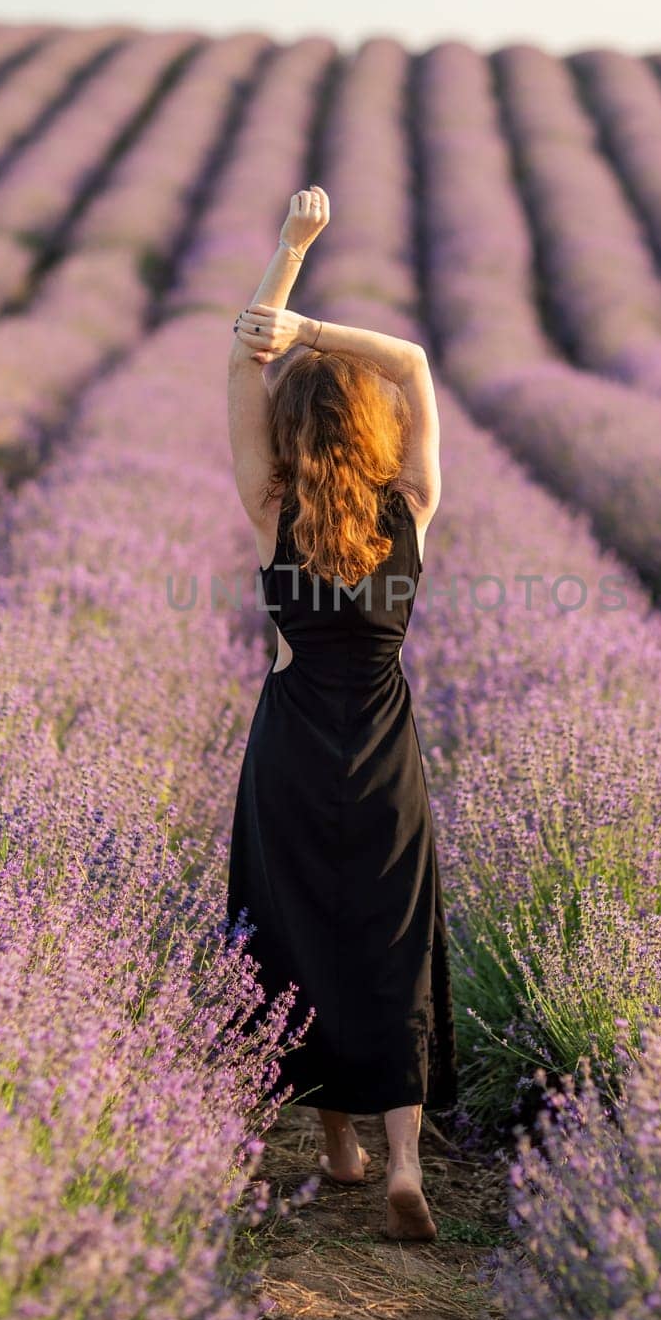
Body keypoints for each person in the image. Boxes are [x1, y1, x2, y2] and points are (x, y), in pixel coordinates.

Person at [225, 186, 457, 1243]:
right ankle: (404, 1155)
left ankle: (336, 1146)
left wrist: (284, 258)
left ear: (287, 432)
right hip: (383, 748)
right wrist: (315, 324)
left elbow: (242, 362)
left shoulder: (273, 507)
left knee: (301, 921)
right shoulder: (407, 507)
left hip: (291, 750)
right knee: (391, 935)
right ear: (370, 429)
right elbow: (409, 359)